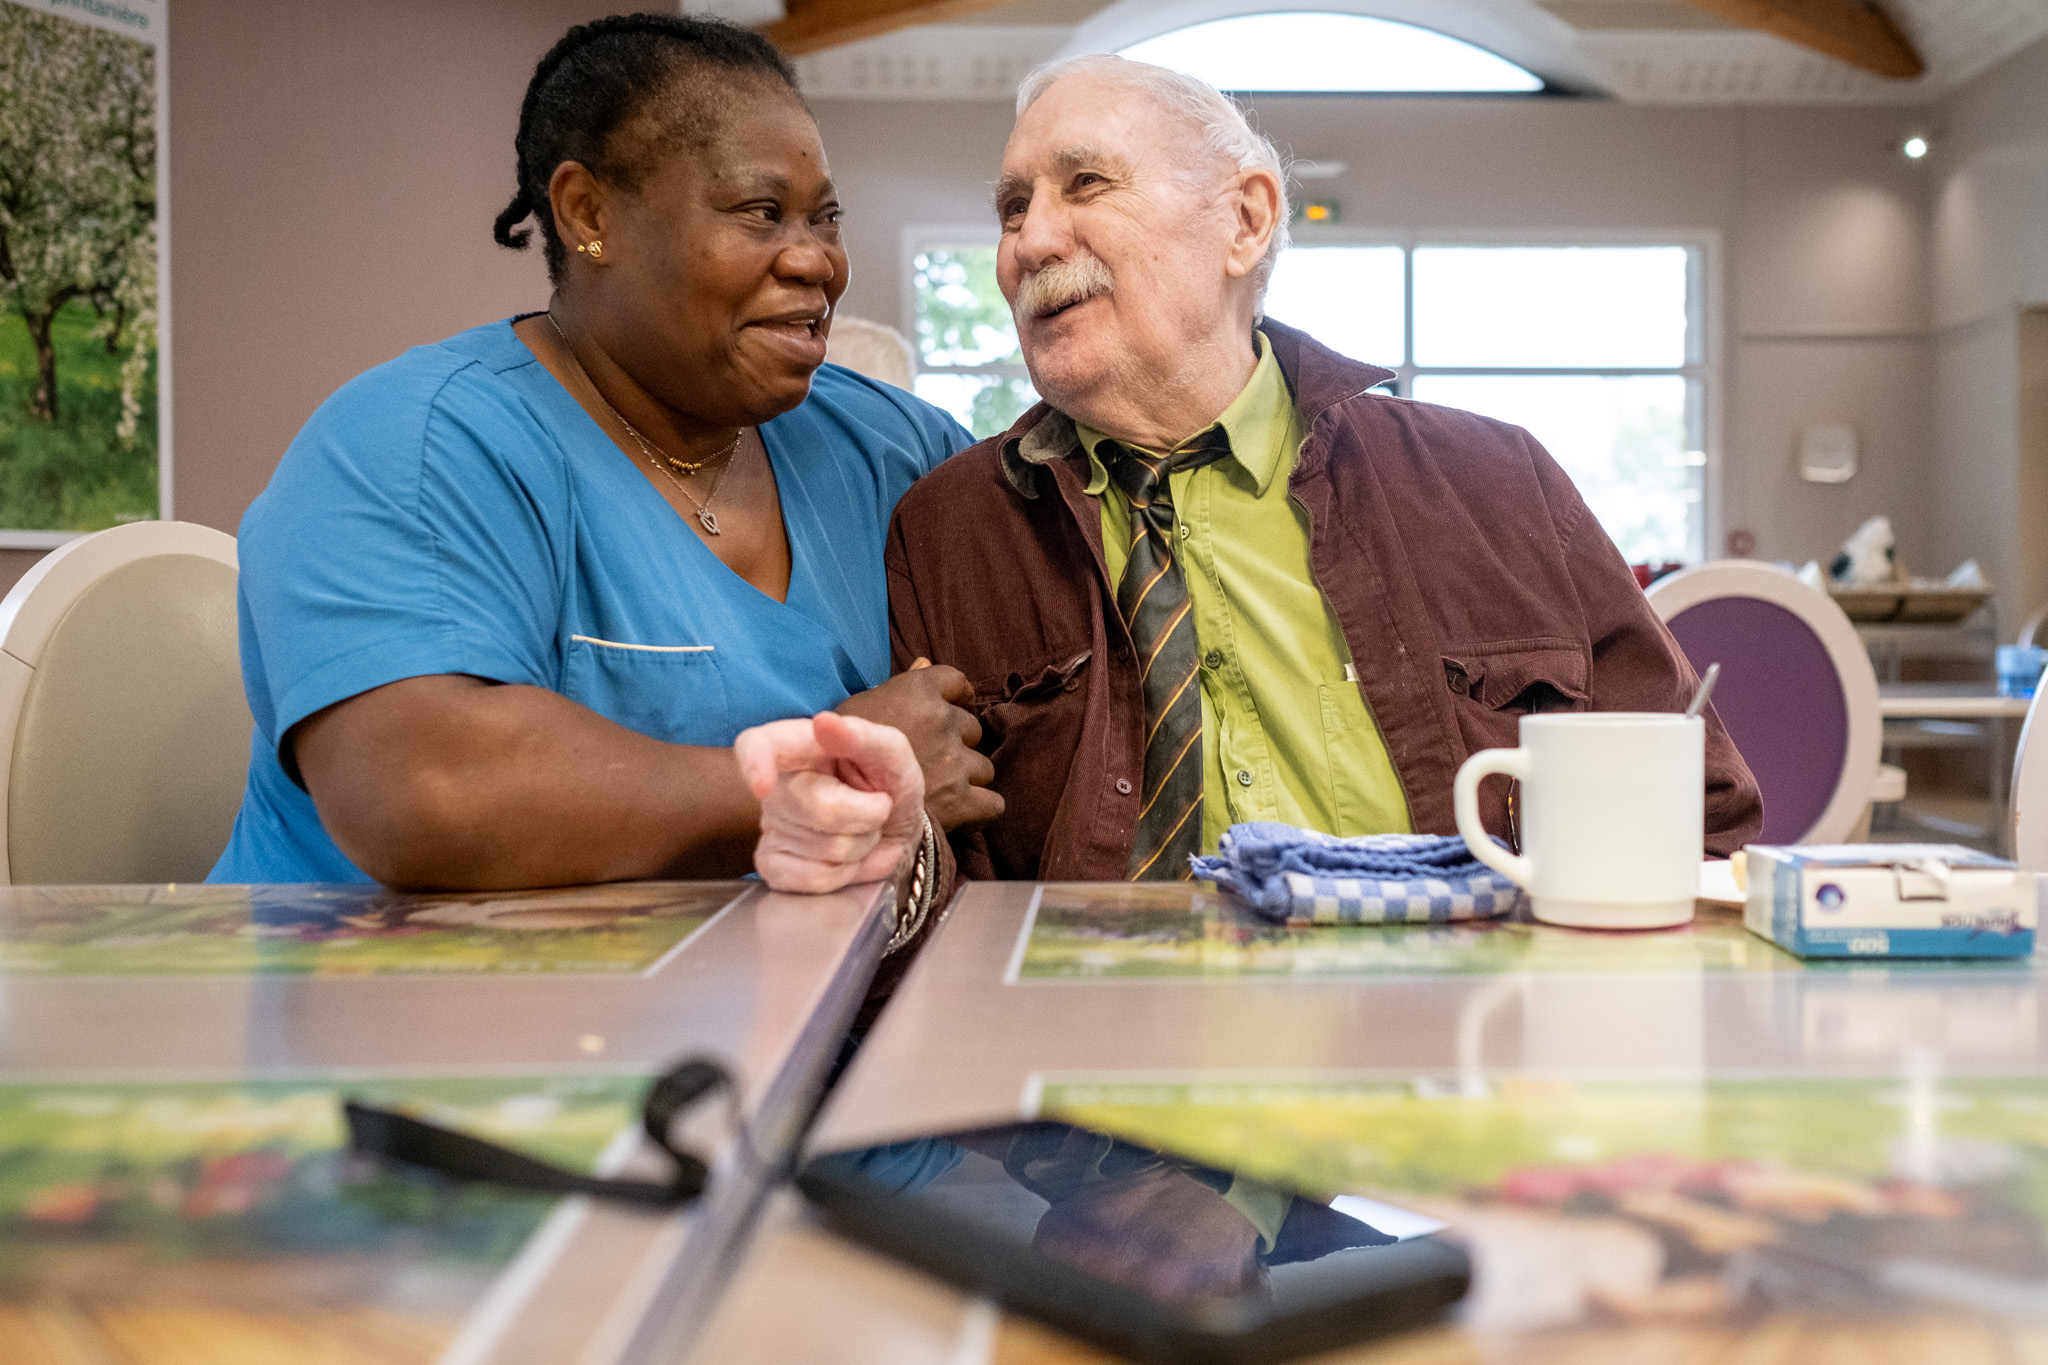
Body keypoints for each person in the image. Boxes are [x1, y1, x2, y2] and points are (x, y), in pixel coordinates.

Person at [884, 55, 1763, 882]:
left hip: (1464, 1022)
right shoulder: (948, 535)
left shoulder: (1498, 484)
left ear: (1246, 219)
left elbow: (1699, 817)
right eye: (1010, 208)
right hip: (1085, 1031)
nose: (1028, 241)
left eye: (1086, 184)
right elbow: (923, 894)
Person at [209, 14, 997, 908]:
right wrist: (833, 774)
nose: (816, 259)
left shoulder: (892, 448)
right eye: (761, 212)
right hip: (393, 1015)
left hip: (763, 1009)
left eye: (826, 218)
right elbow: (426, 790)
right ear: (588, 213)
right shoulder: (417, 442)